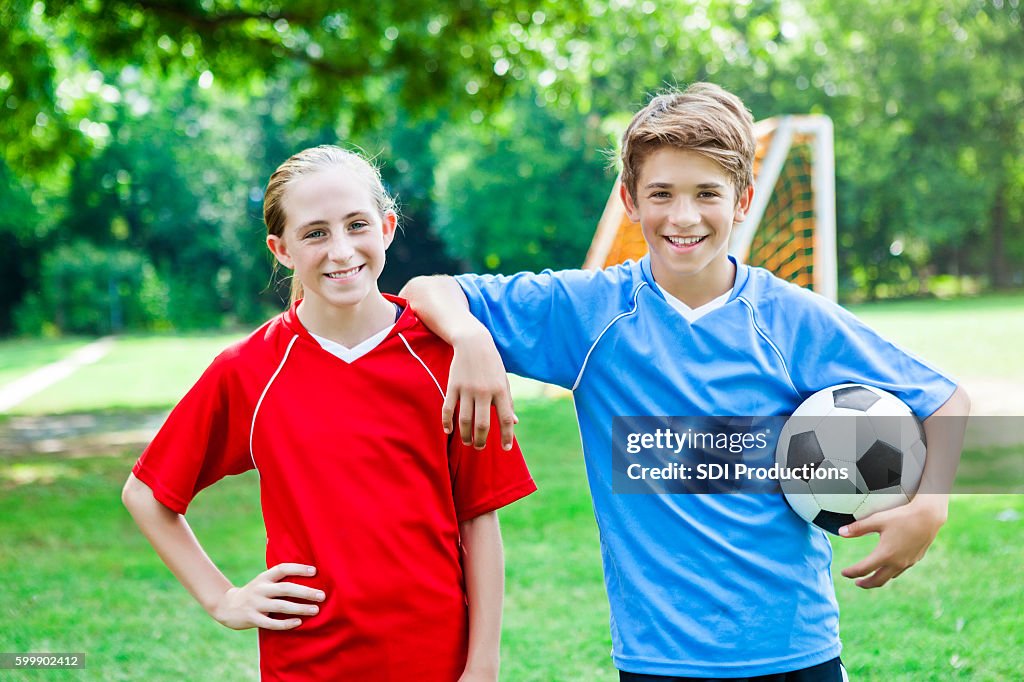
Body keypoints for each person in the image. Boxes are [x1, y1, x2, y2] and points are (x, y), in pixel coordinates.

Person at [401, 83, 970, 681]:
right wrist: (469, 338)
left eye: (707, 194)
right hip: (659, 658)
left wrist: (930, 505)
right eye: (661, 194)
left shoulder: (792, 319)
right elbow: (427, 290)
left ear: (742, 200)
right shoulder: (588, 313)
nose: (683, 216)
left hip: (796, 649)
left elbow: (947, 401)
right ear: (629, 199)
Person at [122, 145, 536, 681]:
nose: (341, 250)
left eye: (356, 225)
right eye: (315, 233)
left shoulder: (444, 359)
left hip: (437, 660)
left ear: (387, 227)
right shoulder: (250, 370)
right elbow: (148, 494)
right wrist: (223, 599)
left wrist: (482, 666)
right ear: (282, 249)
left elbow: (478, 518)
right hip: (306, 663)